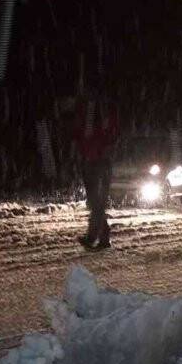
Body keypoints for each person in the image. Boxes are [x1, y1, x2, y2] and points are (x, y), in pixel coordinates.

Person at [73, 93, 119, 250]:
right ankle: (102, 235)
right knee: (95, 202)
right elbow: (82, 134)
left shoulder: (102, 110)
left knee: (97, 201)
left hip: (99, 160)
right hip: (91, 158)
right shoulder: (88, 111)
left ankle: (94, 236)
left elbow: (109, 134)